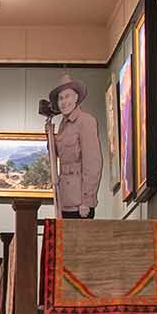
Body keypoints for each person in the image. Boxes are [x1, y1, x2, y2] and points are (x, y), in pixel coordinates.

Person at [44, 76, 105, 218]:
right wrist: (49, 133)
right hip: (65, 198)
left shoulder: (86, 121)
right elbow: (57, 154)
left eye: (67, 97)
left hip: (80, 202)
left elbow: (93, 163)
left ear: (76, 98)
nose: (64, 102)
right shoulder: (62, 126)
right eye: (60, 98)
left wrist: (87, 199)